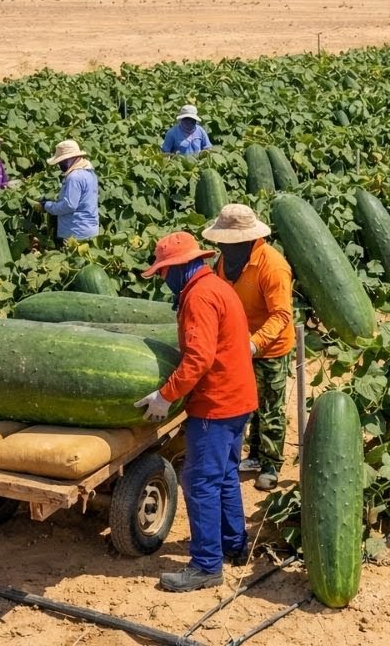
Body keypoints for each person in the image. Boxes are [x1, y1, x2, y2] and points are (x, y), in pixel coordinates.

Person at [135, 232, 257, 592]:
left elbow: (199, 358)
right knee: (223, 475)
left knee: (200, 481)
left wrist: (165, 395)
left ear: (179, 267)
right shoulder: (216, 286)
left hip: (216, 404)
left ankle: (206, 565)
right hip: (239, 399)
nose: (162, 278)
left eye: (163, 271)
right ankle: (234, 545)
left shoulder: (199, 297)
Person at [202, 204, 295, 492]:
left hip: (270, 348)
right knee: (248, 405)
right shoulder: (224, 261)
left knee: (270, 408)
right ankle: (254, 456)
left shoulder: (273, 266)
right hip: (239, 343)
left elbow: (281, 315)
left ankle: (271, 464)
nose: (221, 246)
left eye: (227, 242)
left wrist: (254, 344)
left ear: (246, 240)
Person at [34, 139, 99, 241]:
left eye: (61, 161)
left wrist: (46, 206)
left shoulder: (74, 177)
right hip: (89, 228)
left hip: (75, 231)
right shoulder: (90, 173)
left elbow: (69, 205)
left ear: (69, 159)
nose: (59, 165)